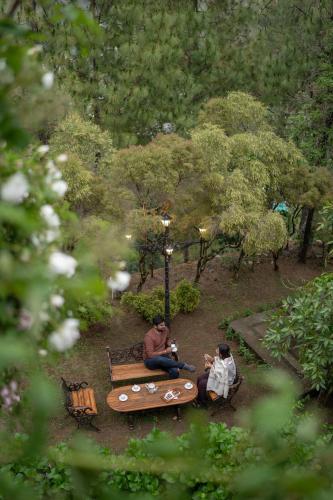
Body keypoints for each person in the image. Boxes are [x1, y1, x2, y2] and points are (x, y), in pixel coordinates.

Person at [144, 315, 196, 379]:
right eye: (161, 325)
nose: (164, 327)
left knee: (175, 371)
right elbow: (150, 355)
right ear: (155, 326)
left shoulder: (165, 330)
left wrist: (170, 343)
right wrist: (165, 351)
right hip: (151, 361)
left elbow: (167, 340)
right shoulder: (149, 337)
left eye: (164, 324)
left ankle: (171, 386)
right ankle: (183, 365)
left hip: (163, 357)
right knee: (159, 359)